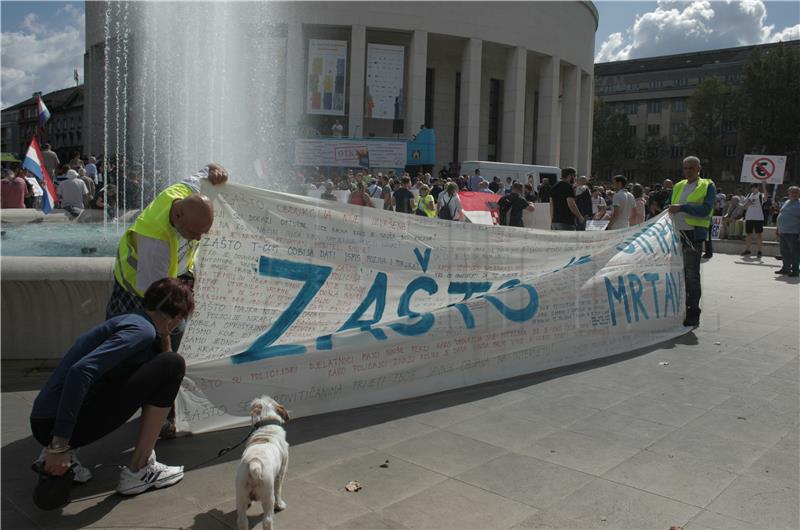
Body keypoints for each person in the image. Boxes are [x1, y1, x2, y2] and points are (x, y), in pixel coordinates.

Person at [30, 278, 193, 502]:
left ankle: (63, 453)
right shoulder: (142, 331)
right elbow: (81, 372)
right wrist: (59, 445)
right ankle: (140, 469)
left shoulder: (131, 319)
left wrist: (164, 333)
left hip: (43, 419)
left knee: (162, 363)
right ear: (177, 318)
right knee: (173, 365)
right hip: (55, 428)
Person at [668, 156, 716, 328]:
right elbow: (669, 205)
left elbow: (705, 210)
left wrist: (682, 207)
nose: (688, 171)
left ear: (699, 169)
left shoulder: (707, 185)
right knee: (677, 274)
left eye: (692, 168)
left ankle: (693, 313)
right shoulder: (678, 185)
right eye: (686, 168)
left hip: (693, 236)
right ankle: (679, 309)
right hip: (676, 234)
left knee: (692, 275)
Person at [775, 186, 800, 277]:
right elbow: (782, 214)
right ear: (788, 193)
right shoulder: (786, 202)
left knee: (794, 252)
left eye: (796, 192)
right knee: (784, 252)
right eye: (792, 192)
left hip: (794, 233)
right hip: (783, 231)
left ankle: (795, 271)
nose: (794, 194)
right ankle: (785, 268)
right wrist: (778, 228)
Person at [741, 183, 766, 257]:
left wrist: (764, 186)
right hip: (749, 217)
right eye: (751, 188)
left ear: (757, 188)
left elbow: (765, 198)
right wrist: (748, 203)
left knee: (759, 234)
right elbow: (744, 207)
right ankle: (747, 250)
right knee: (748, 234)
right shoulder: (749, 195)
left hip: (758, 218)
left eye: (754, 188)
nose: (752, 189)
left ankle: (759, 251)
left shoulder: (760, 195)